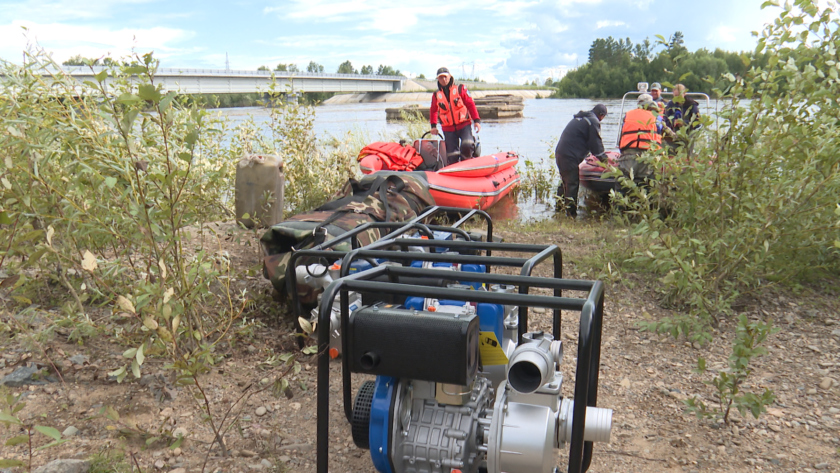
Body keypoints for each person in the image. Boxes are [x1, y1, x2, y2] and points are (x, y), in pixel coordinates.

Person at [555, 104, 607, 217]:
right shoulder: (593, 121)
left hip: (560, 153)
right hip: (569, 156)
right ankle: (571, 214)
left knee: (565, 182)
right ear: (601, 115)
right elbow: (596, 144)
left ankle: (558, 210)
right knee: (572, 184)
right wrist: (605, 161)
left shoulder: (582, 118)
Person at [429, 67, 481, 165]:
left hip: (464, 124)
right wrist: (433, 126)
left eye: (445, 77)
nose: (443, 79)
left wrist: (476, 121)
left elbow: (470, 104)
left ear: (450, 76)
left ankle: (469, 161)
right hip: (448, 129)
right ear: (438, 79)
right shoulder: (436, 95)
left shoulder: (460, 89)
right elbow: (433, 110)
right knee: (452, 156)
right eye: (441, 78)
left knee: (467, 145)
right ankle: (455, 169)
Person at [617, 94, 662, 182]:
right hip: (647, 155)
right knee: (647, 184)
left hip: (628, 154)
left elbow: (622, 133)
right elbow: (660, 131)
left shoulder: (628, 115)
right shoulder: (656, 117)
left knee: (623, 183)